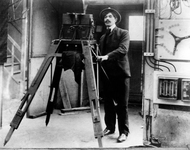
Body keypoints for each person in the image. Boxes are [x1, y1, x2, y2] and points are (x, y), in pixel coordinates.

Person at [97, 7, 131, 143]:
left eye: (110, 16)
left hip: (120, 74)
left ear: (115, 19)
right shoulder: (103, 37)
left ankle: (124, 132)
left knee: (122, 104)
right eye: (105, 17)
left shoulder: (123, 33)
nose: (107, 18)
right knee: (108, 103)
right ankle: (110, 127)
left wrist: (106, 56)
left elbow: (123, 50)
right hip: (107, 74)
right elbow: (99, 53)